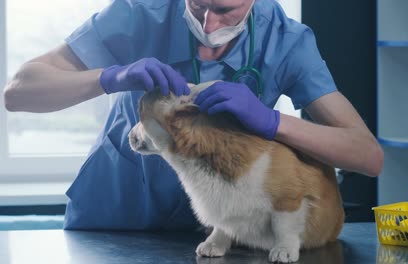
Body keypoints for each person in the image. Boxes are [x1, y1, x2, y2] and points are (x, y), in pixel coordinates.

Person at [3, 0, 384, 230]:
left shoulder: (285, 41)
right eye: (197, 5)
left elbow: (368, 156)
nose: (207, 25)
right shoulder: (140, 13)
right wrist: (109, 77)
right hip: (114, 219)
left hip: (218, 232)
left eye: (224, 10)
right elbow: (18, 93)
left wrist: (274, 123)